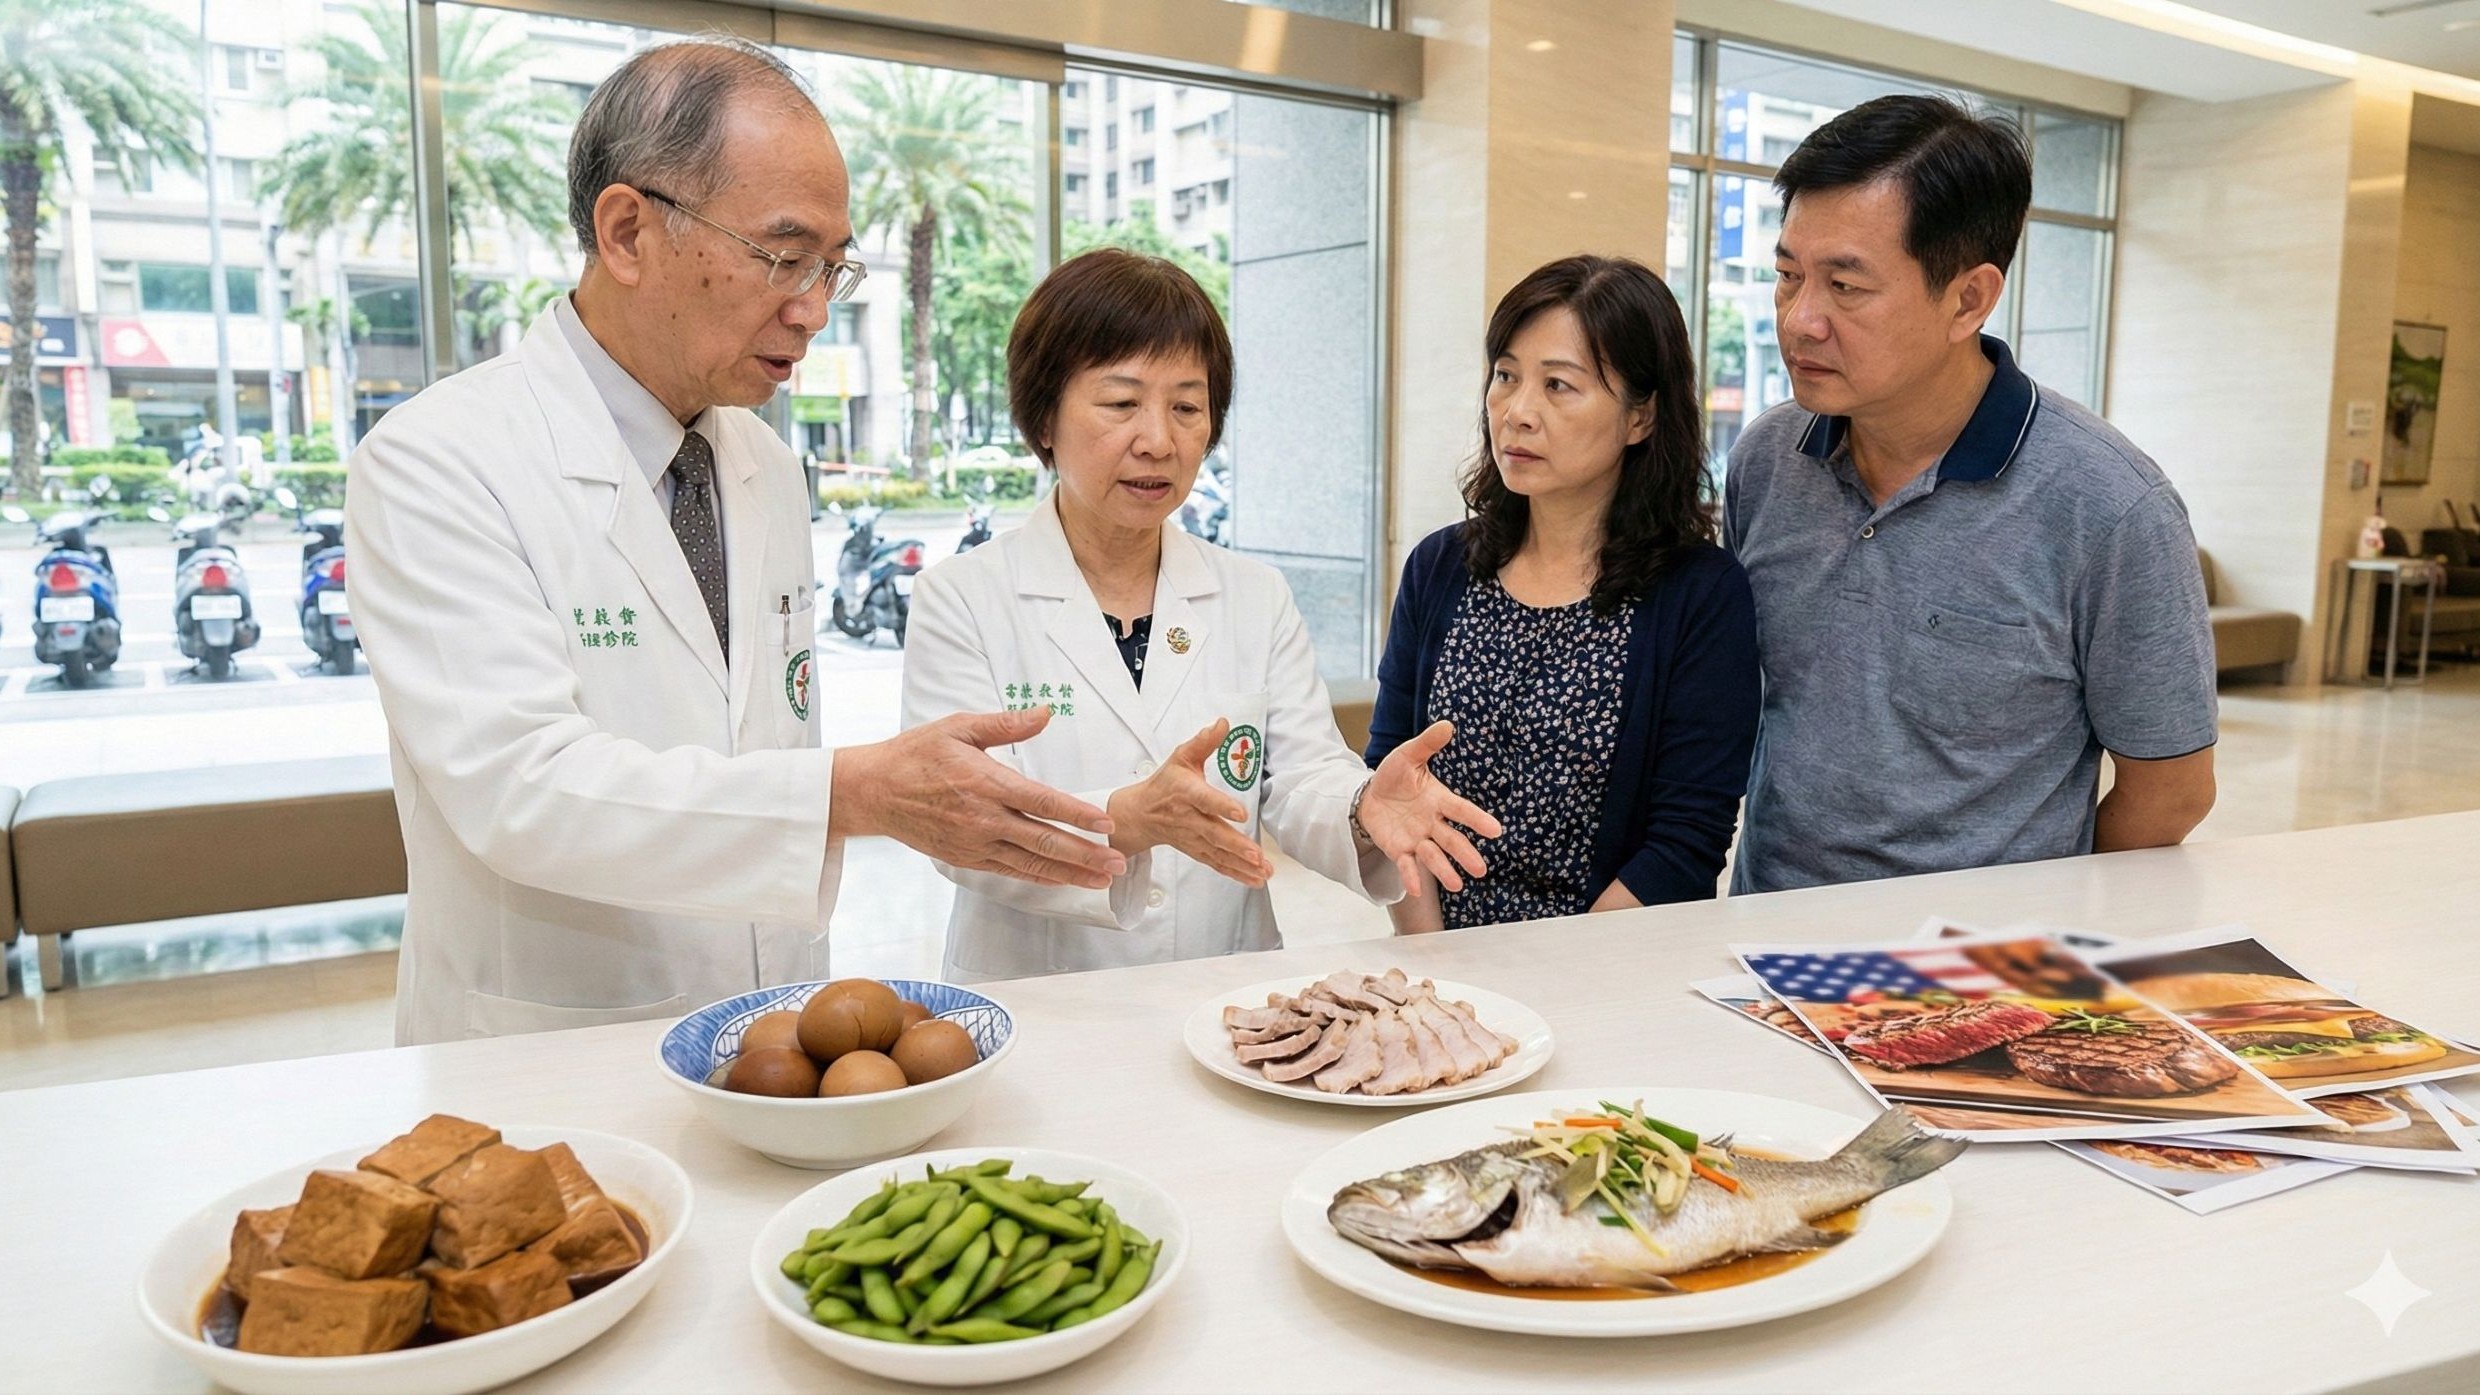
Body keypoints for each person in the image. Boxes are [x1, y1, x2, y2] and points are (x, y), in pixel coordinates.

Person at [347, 39, 1119, 1045]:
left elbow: (766, 739)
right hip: (550, 1048)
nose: (813, 311)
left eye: (832, 266)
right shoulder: (439, 460)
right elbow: (519, 788)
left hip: (765, 1033)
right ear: (627, 231)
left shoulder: (759, 465)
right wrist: (855, 792)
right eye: (782, 257)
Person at [903, 248, 1501, 980]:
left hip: (1225, 993)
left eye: (1187, 407)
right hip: (1040, 1004)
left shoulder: (1253, 594)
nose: (1159, 439)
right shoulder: (961, 597)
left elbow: (1302, 772)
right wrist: (1123, 818)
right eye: (1121, 403)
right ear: (1044, 416)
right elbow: (955, 821)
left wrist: (1361, 805)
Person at [1724, 95, 2217, 895]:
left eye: (1845, 286)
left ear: (1968, 299)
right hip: (1763, 942)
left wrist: (2024, 924)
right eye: (1787, 276)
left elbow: (2172, 792)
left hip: (1981, 979)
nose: (1800, 319)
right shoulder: (1767, 462)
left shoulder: (2111, 506)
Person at [1370, 255, 1760, 932]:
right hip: (1441, 969)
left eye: (1559, 386)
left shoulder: (1700, 593)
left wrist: (1552, 982)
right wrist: (1433, 964)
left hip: (1607, 970)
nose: (1517, 413)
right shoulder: (1440, 565)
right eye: (1506, 376)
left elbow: (1684, 844)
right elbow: (1390, 780)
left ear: (1640, 417)